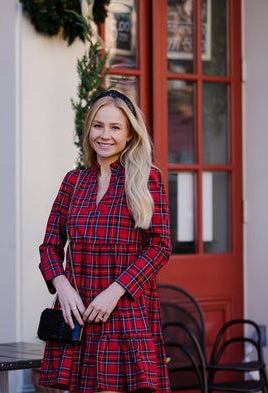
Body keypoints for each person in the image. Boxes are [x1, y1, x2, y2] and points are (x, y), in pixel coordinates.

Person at [38, 90, 171, 393]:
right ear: (89, 130)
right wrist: (62, 285)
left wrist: (116, 291)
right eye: (98, 126)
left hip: (123, 311)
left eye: (115, 127)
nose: (105, 135)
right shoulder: (74, 181)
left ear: (129, 135)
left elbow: (160, 246)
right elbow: (49, 246)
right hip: (77, 312)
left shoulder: (146, 179)